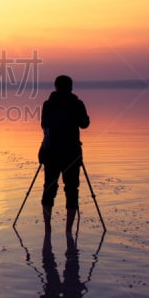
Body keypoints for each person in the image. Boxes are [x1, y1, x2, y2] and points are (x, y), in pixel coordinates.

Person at [40, 75, 90, 233]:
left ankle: (47, 226)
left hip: (51, 152)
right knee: (72, 189)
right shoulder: (77, 103)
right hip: (71, 154)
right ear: (71, 87)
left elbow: (44, 125)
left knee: (49, 188)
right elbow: (85, 124)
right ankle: (68, 229)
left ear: (55, 86)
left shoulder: (48, 104)